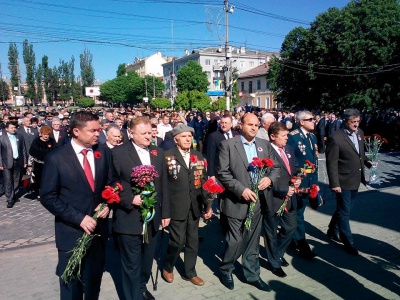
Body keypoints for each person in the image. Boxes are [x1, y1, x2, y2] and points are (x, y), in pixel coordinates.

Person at [40, 111, 119, 299]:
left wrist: (108, 202)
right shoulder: (56, 158)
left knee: (93, 282)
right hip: (71, 232)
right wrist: (79, 218)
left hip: (98, 232)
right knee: (71, 285)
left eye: (99, 130)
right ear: (76, 131)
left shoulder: (103, 152)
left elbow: (114, 181)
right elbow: (48, 197)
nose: (97, 134)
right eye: (92, 131)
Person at [218, 113, 279, 291]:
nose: (253, 128)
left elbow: (275, 167)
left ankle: (252, 275)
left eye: (256, 125)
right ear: (241, 125)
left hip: (258, 201)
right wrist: (241, 189)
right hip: (236, 201)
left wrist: (269, 179)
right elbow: (223, 173)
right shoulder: (228, 145)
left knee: (252, 241)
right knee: (235, 240)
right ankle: (226, 269)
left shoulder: (264, 145)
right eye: (250, 124)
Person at [112, 116, 170, 300]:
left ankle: (141, 288)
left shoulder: (157, 152)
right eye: (143, 133)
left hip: (153, 218)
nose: (148, 137)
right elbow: (110, 184)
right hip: (129, 218)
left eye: (150, 132)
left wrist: (165, 212)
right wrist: (129, 199)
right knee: (131, 264)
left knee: (146, 260)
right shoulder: (118, 153)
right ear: (131, 133)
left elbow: (164, 185)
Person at [162, 124, 212, 287]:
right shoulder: (167, 156)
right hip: (176, 206)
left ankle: (190, 272)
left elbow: (203, 180)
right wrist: (165, 211)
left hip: (195, 205)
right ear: (176, 139)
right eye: (184, 136)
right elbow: (163, 185)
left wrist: (208, 205)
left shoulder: (197, 155)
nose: (188, 139)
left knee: (192, 240)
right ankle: (168, 266)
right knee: (177, 241)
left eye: (190, 136)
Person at [326, 108, 371, 256]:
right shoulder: (336, 137)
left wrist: (368, 162)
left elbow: (360, 154)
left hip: (356, 179)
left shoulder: (360, 133)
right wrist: (335, 184)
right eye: (353, 122)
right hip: (343, 180)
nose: (356, 125)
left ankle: (332, 230)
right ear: (345, 121)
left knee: (344, 208)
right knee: (345, 212)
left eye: (358, 121)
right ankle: (348, 242)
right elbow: (331, 163)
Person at [264, 121, 299, 278]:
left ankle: (277, 253)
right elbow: (265, 178)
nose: (287, 139)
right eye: (283, 136)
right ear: (272, 136)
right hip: (274, 199)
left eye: (287, 135)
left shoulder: (289, 149)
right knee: (271, 232)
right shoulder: (266, 152)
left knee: (291, 227)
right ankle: (274, 263)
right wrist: (284, 189)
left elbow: (295, 168)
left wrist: (297, 178)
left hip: (290, 199)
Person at [287, 111, 319, 259]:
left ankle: (292, 239)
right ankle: (302, 244)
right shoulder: (293, 137)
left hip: (309, 181)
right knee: (297, 214)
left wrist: (315, 182)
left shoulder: (312, 137)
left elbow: (314, 161)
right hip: (298, 181)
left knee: (300, 212)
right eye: (310, 119)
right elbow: (289, 160)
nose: (314, 121)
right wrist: (294, 179)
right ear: (301, 122)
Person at [0, 122, 28, 208]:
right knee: (8, 180)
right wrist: (0, 163)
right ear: (7, 129)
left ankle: (14, 194)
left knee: (17, 179)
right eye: (11, 128)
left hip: (18, 161)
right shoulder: (2, 138)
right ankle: (10, 199)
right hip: (6, 162)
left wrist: (25, 161)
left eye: (14, 128)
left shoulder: (19, 136)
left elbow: (23, 149)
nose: (13, 129)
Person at [28, 125, 56, 199]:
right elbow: (31, 153)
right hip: (38, 164)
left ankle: (46, 193)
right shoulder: (36, 141)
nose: (46, 136)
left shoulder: (52, 141)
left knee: (48, 179)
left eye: (47, 134)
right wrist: (29, 165)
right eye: (44, 134)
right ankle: (38, 193)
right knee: (38, 179)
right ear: (41, 134)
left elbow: (55, 152)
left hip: (49, 164)